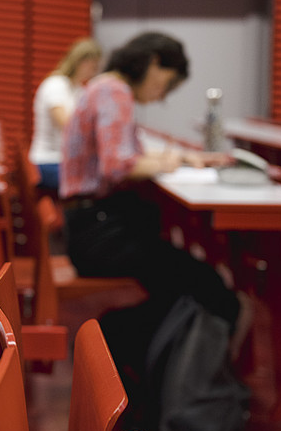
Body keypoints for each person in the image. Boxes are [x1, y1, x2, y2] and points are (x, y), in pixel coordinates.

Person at [59, 31, 251, 361]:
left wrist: (175, 159)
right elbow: (117, 165)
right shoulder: (114, 92)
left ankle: (132, 352)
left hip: (91, 224)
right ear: (153, 62)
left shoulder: (105, 87)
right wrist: (173, 161)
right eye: (167, 83)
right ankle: (114, 343)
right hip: (99, 232)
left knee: (188, 284)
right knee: (208, 289)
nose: (162, 95)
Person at [29, 37, 101, 191]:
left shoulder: (79, 89)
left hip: (63, 161)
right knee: (104, 181)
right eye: (93, 66)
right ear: (81, 62)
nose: (94, 71)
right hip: (48, 162)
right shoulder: (56, 85)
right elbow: (69, 126)